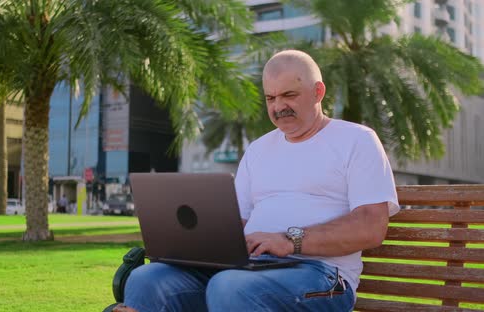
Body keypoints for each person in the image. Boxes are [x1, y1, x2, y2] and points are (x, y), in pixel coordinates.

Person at [114, 50, 399, 312]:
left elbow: (370, 226)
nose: (279, 107)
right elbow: (236, 223)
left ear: (318, 92)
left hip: (321, 276)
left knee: (229, 286)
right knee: (147, 278)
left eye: (289, 95)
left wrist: (290, 241)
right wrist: (190, 246)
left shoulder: (357, 140)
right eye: (271, 98)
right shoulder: (258, 149)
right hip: (249, 267)